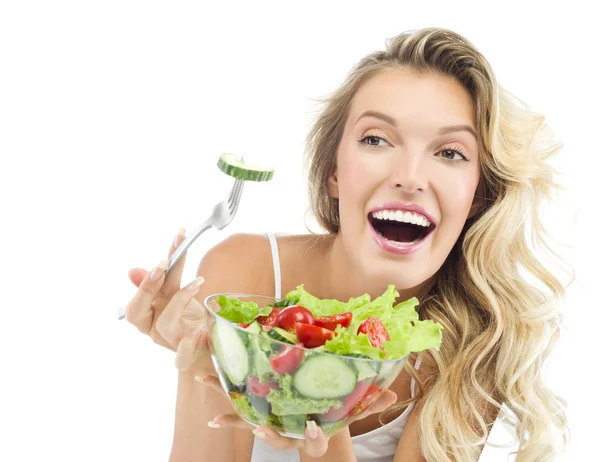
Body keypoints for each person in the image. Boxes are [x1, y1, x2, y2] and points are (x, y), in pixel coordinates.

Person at [124, 27, 569, 461]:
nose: (410, 177)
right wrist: (206, 359)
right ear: (334, 172)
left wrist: (323, 429)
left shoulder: (475, 345)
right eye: (376, 139)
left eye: (450, 152)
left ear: (478, 195)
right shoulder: (243, 271)